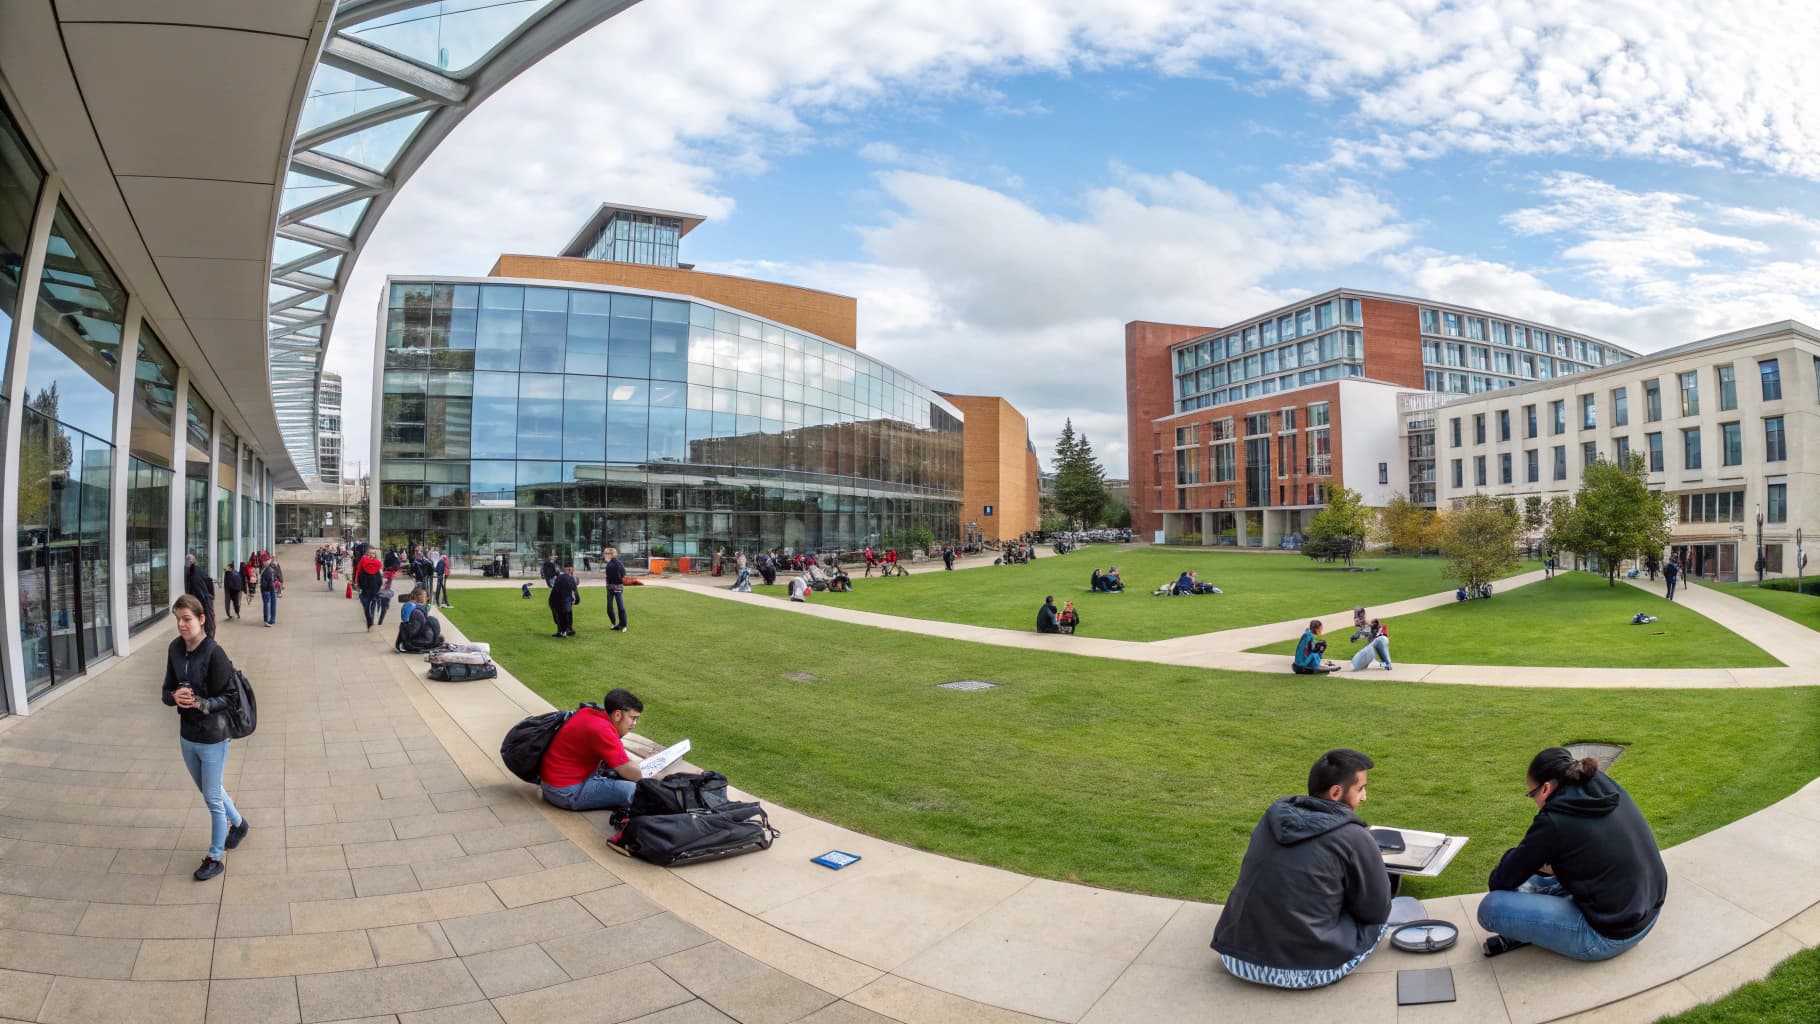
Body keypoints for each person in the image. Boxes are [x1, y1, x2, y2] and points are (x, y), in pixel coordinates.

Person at [1211, 749, 1424, 989]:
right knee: (1380, 921)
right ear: (1336, 792)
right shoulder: (1354, 836)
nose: (1364, 797)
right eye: (1361, 789)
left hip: (1236, 957)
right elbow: (1376, 912)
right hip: (1309, 971)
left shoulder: (1270, 819)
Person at [1477, 747, 1667, 961]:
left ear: (1546, 788)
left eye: (1532, 794)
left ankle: (1538, 926)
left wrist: (1529, 855)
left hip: (1611, 934)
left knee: (1492, 908)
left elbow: (1500, 880)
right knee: (1537, 877)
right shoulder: (1601, 782)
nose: (1535, 802)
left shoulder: (1553, 820)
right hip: (1648, 908)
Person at [161, 594, 249, 881]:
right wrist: (175, 696)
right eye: (177, 619)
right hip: (187, 735)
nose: (181, 625)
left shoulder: (214, 653)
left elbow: (230, 697)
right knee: (210, 790)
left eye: (186, 619)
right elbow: (165, 692)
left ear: (201, 619)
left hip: (213, 736)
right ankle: (238, 823)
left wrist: (202, 703)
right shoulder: (175, 649)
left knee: (211, 797)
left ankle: (215, 856)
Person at [538, 688, 646, 811]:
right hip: (565, 792)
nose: (634, 723)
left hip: (552, 783)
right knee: (633, 790)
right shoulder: (602, 730)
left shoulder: (588, 712)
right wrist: (655, 782)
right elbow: (628, 770)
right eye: (633, 718)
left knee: (620, 776)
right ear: (617, 715)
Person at [183, 554, 217, 640]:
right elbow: (188, 587)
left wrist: (210, 595)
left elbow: (208, 580)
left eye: (191, 559)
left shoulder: (197, 570)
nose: (189, 560)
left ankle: (208, 636)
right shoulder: (188, 572)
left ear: (194, 560)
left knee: (207, 618)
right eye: (188, 559)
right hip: (196, 600)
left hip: (203, 599)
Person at [356, 546, 385, 630]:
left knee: (373, 603)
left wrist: (381, 585)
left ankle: (371, 620)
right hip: (365, 585)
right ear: (367, 553)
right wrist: (356, 582)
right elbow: (358, 570)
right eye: (371, 552)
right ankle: (369, 619)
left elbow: (380, 574)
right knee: (366, 605)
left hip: (375, 585)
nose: (373, 554)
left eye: (374, 553)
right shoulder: (363, 559)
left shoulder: (377, 562)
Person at [549, 563, 579, 638]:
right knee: (565, 613)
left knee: (560, 615)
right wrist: (576, 600)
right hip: (561, 599)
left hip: (556, 599)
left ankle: (563, 630)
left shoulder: (560, 577)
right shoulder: (570, 578)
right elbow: (575, 592)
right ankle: (566, 630)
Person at [603, 547, 627, 633]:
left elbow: (623, 574)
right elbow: (607, 577)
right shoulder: (609, 564)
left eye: (606, 554)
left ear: (611, 554)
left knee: (620, 607)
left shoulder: (618, 563)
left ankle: (623, 625)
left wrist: (617, 582)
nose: (605, 555)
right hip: (610, 588)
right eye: (605, 553)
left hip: (617, 587)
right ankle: (614, 623)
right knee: (609, 607)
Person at [257, 556, 282, 627]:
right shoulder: (268, 569)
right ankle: (271, 619)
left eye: (264, 561)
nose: (263, 562)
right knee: (270, 605)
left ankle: (267, 621)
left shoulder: (268, 570)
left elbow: (270, 582)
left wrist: (269, 590)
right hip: (269, 589)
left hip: (267, 590)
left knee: (267, 606)